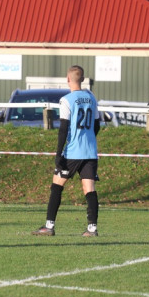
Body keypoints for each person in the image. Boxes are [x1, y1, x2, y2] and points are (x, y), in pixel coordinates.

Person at [35, 65, 101, 237]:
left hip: (72, 152)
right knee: (90, 189)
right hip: (90, 152)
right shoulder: (92, 98)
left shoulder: (67, 100)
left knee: (56, 186)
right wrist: (88, 139)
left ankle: (49, 226)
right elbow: (96, 125)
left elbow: (63, 129)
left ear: (68, 79)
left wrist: (58, 155)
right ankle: (92, 229)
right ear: (83, 79)